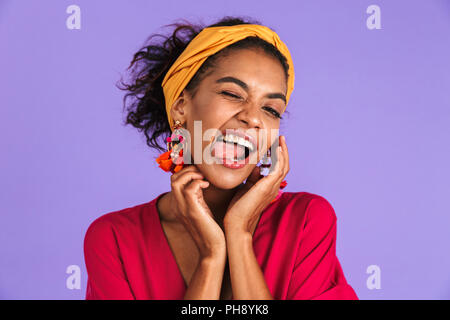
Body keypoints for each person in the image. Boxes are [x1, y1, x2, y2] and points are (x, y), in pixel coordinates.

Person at [83, 16, 358, 300]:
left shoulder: (305, 222)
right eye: (232, 93)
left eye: (271, 109)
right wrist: (211, 258)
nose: (252, 117)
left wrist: (239, 236)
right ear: (180, 107)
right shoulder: (114, 240)